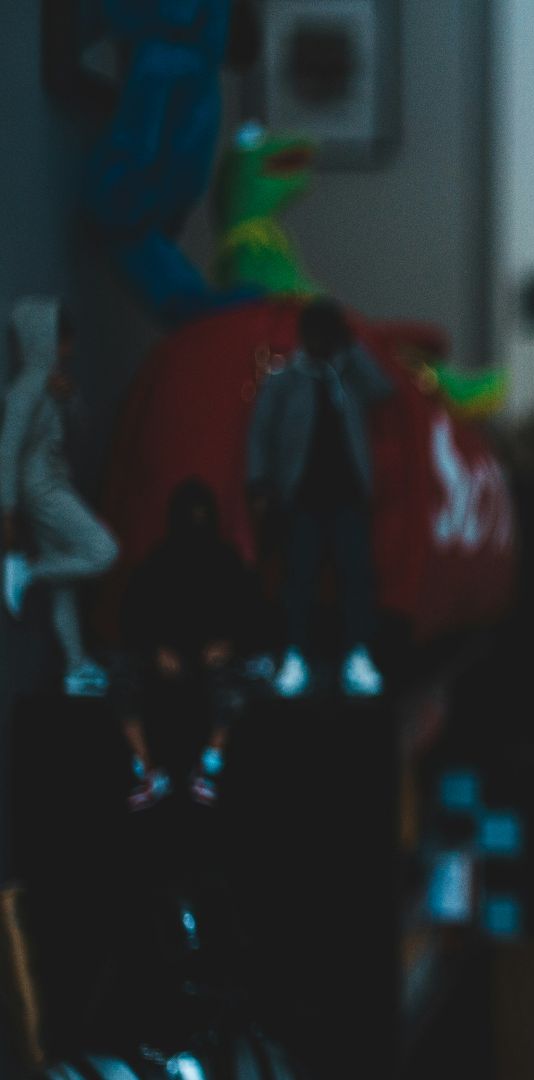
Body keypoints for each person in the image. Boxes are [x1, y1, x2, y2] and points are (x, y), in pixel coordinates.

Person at [246, 298, 391, 699]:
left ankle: (357, 656)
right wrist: (259, 483)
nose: (322, 343)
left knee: (356, 579)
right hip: (301, 496)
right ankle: (295, 656)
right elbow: (260, 433)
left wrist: (353, 347)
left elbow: (384, 388)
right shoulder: (285, 379)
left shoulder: (347, 375)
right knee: (299, 580)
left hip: (348, 496)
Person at [118, 479, 262, 809]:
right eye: (189, 516)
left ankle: (209, 768)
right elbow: (132, 615)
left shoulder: (226, 559)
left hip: (213, 659)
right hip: (164, 656)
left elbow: (251, 615)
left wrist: (230, 643)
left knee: (235, 684)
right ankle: (149, 771)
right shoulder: (158, 560)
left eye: (202, 515)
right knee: (123, 677)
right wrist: (155, 649)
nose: (196, 523)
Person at [1, 297, 119, 697]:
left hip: (52, 485)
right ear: (46, 339)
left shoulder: (48, 383)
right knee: (103, 551)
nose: (68, 350)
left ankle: (75, 667)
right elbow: (8, 448)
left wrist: (68, 399)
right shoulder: (28, 386)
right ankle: (29, 570)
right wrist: (7, 512)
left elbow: (79, 438)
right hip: (44, 490)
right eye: (62, 340)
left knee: (65, 587)